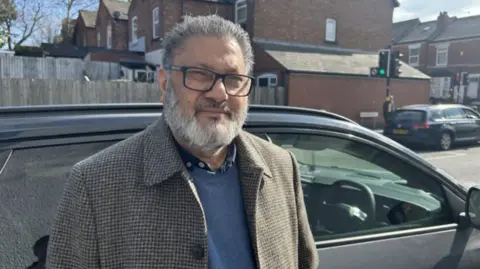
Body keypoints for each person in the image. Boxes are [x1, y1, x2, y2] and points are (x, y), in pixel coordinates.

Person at [46, 14, 319, 269]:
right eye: (200, 74)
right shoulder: (94, 184)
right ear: (165, 84)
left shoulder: (282, 167)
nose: (219, 93)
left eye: (233, 78)